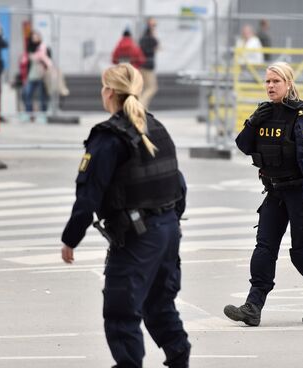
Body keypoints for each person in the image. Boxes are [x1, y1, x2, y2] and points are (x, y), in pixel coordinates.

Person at [61, 63, 191, 368]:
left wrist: (70, 239)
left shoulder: (108, 138)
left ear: (109, 93)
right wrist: (169, 222)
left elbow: (88, 196)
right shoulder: (157, 127)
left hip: (137, 237)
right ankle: (179, 357)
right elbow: (178, 183)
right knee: (159, 304)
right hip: (168, 230)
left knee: (121, 310)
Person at [224, 61, 303, 327]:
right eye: (267, 81)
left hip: (299, 193)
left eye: (276, 81)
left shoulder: (302, 115)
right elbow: (243, 145)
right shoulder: (264, 113)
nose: (271, 86)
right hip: (275, 192)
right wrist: (253, 122)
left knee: (301, 253)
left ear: (288, 84)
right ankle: (253, 306)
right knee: (264, 247)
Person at [22, 30, 52, 123]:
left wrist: (40, 57)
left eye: (37, 36)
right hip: (31, 75)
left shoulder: (43, 47)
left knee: (42, 95)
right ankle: (29, 114)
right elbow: (25, 62)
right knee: (27, 94)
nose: (35, 38)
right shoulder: (29, 48)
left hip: (42, 75)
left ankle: (43, 115)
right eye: (33, 37)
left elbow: (47, 60)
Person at [139, 17, 159, 109]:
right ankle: (141, 105)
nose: (155, 27)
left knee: (144, 88)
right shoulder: (150, 38)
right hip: (148, 66)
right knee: (152, 88)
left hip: (142, 65)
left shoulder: (143, 37)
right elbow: (157, 46)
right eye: (153, 25)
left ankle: (143, 109)